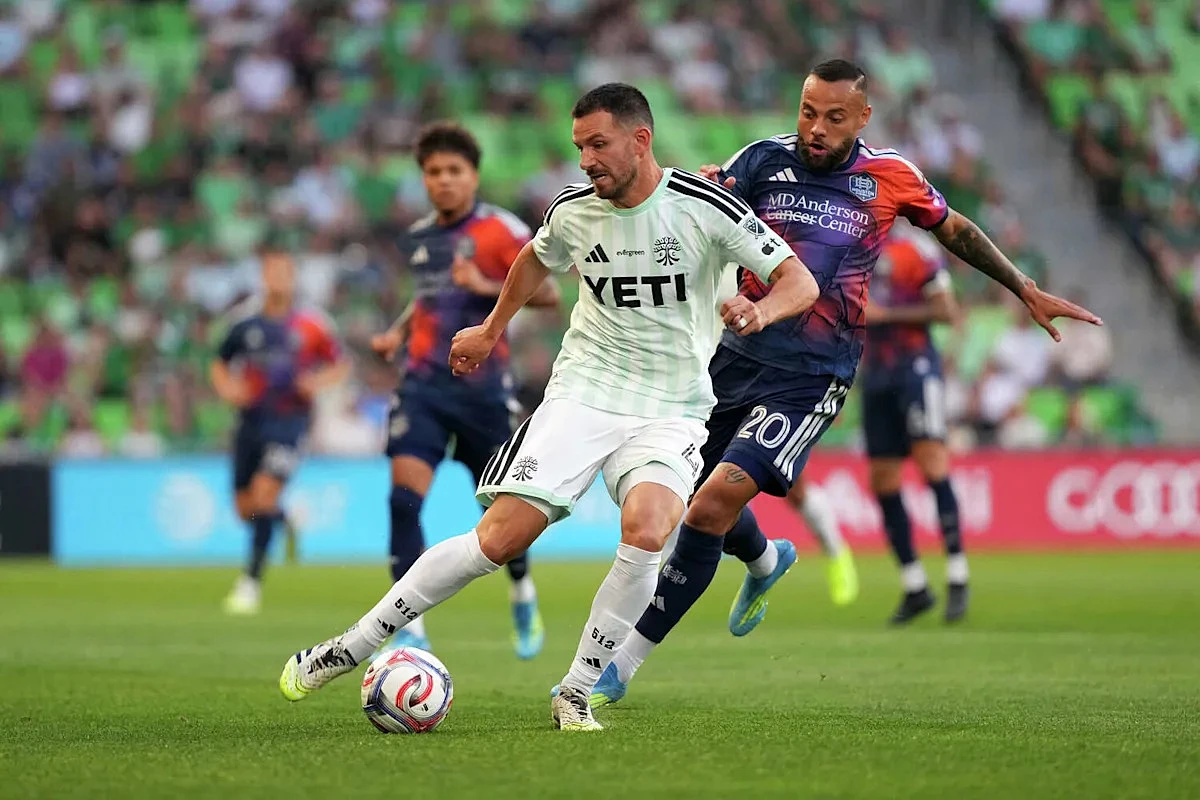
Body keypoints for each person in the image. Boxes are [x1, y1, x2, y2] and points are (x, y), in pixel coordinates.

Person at [278, 82, 820, 731]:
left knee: (649, 529)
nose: (586, 160)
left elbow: (799, 281)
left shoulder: (705, 207)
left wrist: (760, 311)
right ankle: (350, 646)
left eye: (598, 145)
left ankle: (575, 691)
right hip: (584, 393)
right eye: (579, 147)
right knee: (498, 540)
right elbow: (534, 262)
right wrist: (490, 330)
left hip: (672, 407)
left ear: (640, 140)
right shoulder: (572, 211)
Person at [578, 58, 1101, 707]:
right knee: (684, 494)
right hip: (732, 357)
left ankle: (621, 666)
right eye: (807, 112)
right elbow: (697, 212)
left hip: (812, 376)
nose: (816, 129)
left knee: (711, 505)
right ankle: (765, 559)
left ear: (862, 118)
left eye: (832, 117)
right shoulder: (761, 160)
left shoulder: (890, 176)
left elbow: (956, 229)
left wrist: (1023, 287)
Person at [369, 122, 560, 659]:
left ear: (473, 175)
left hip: (483, 391)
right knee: (402, 501)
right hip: (422, 387)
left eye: (454, 170)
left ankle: (521, 591)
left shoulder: (502, 230)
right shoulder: (422, 236)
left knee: (502, 516)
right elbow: (428, 299)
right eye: (434, 172)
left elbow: (548, 293)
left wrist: (483, 286)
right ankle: (410, 627)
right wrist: (398, 333)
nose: (444, 180)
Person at [211, 248, 349, 614]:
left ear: (293, 278)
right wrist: (228, 389)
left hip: (289, 422)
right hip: (250, 421)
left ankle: (250, 584)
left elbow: (339, 365)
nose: (278, 279)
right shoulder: (244, 322)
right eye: (272, 272)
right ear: (263, 277)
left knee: (262, 497)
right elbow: (220, 362)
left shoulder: (312, 324)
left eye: (284, 273)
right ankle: (286, 520)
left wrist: (315, 383)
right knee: (245, 508)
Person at [860, 230, 965, 623]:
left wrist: (886, 316)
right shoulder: (851, 242)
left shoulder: (917, 249)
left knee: (932, 464)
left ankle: (957, 575)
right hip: (876, 373)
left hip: (916, 368)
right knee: (883, 480)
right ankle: (915, 585)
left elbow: (946, 311)